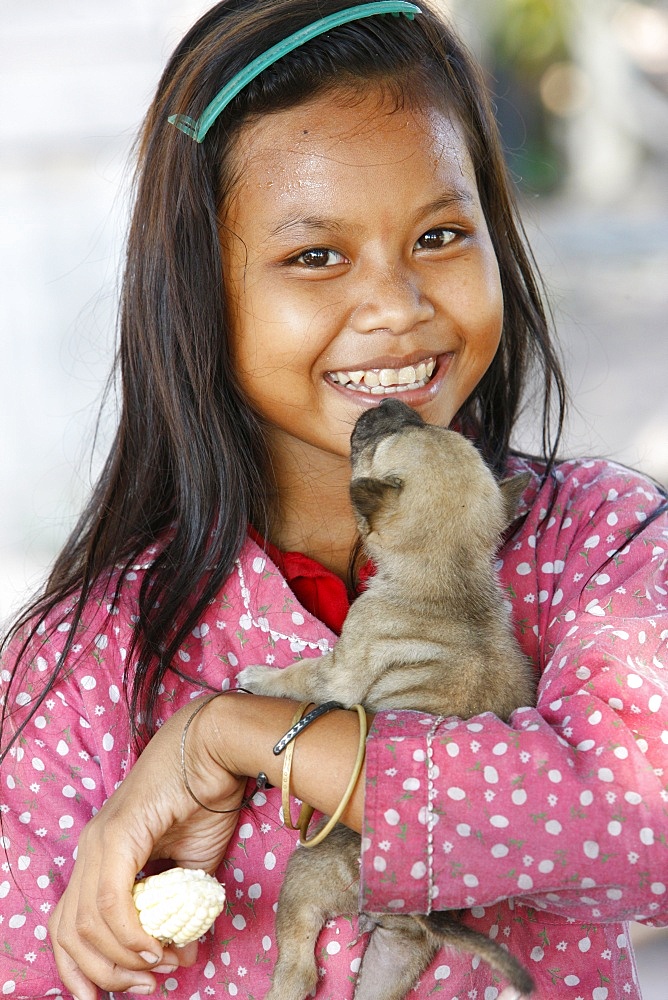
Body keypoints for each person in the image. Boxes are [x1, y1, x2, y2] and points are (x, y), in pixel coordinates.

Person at [1, 1, 666, 998]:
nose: (398, 307)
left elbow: (634, 824)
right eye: (315, 256)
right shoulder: (82, 666)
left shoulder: (595, 547)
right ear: (197, 290)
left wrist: (230, 734)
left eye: (440, 233)